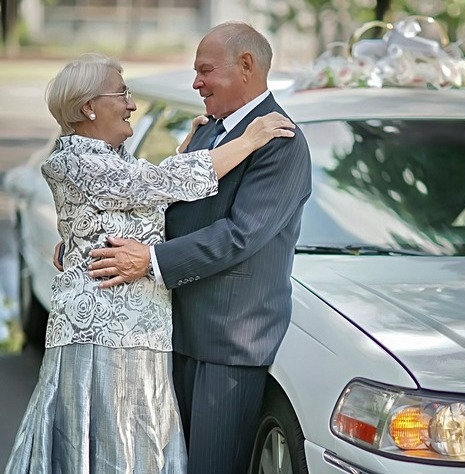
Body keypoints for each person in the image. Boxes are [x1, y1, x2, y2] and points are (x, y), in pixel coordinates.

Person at [4, 52, 295, 474]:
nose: (132, 105)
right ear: (88, 106)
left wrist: (187, 150)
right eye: (122, 93)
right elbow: (156, 185)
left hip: (140, 333)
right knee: (111, 453)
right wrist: (248, 140)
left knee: (138, 449)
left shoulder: (112, 158)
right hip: (104, 334)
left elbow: (142, 197)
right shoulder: (72, 160)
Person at [87, 22, 312, 474]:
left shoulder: (281, 143)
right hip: (177, 332)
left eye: (205, 70)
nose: (196, 83)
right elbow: (165, 209)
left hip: (228, 342)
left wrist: (148, 261)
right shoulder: (210, 131)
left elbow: (239, 235)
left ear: (246, 66)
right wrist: (87, 242)